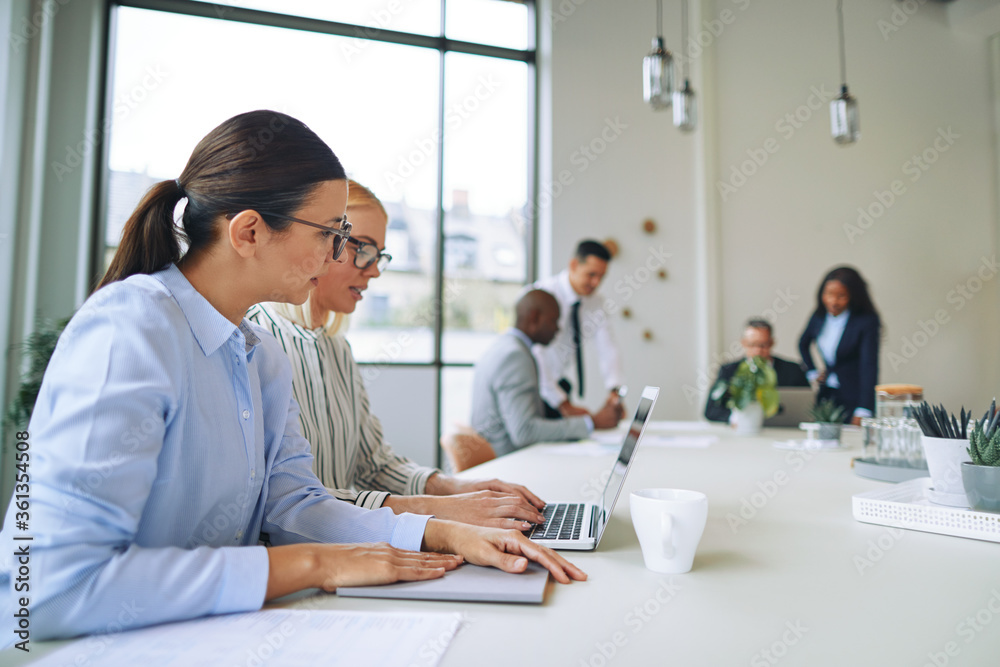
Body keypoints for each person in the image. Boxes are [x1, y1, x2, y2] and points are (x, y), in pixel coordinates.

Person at [0, 111, 584, 643]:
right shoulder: (129, 330)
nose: (339, 257)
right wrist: (314, 564)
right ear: (249, 232)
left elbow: (295, 507)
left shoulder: (258, 357)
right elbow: (44, 589)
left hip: (212, 636)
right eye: (331, 235)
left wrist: (442, 532)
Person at [247, 180, 548, 530]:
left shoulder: (337, 349)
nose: (374, 269)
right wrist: (438, 511)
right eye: (363, 249)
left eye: (379, 256)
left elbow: (372, 465)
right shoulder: (255, 343)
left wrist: (457, 488)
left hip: (347, 548)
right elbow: (287, 502)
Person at [471, 290, 622, 457]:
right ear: (534, 318)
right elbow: (524, 432)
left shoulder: (503, 345)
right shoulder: (516, 356)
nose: (557, 329)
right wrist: (590, 423)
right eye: (554, 321)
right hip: (508, 461)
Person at [532, 240, 625, 420]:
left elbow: (608, 348)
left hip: (559, 385)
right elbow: (537, 354)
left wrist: (615, 391)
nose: (596, 282)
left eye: (601, 277)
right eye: (591, 274)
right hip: (535, 388)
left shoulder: (595, 303)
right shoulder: (544, 294)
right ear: (574, 265)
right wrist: (562, 404)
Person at [798, 266, 881, 425]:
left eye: (841, 296)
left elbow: (869, 366)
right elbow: (803, 344)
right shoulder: (819, 316)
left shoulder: (866, 321)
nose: (833, 301)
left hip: (854, 396)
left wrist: (864, 409)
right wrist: (812, 372)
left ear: (853, 296)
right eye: (828, 294)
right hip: (827, 395)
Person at [704, 318, 810, 422]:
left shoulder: (794, 370)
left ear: (772, 343)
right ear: (743, 343)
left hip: (783, 431)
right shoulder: (729, 371)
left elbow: (808, 407)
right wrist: (737, 418)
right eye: (752, 344)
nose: (758, 350)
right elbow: (711, 411)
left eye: (763, 345)